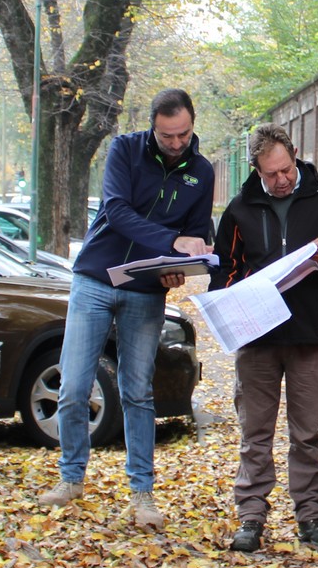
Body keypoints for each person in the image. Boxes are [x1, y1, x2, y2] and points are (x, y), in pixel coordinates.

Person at [40, 89, 215, 529]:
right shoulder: (124, 149)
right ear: (153, 126)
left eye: (184, 134)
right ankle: (71, 477)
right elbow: (116, 211)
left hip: (145, 290)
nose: (176, 143)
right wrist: (170, 241)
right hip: (96, 279)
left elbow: (195, 231)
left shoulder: (202, 171)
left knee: (138, 391)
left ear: (193, 125)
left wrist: (178, 267)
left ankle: (142, 493)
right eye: (166, 135)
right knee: (74, 385)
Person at [211, 124, 318, 553]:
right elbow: (222, 268)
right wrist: (230, 296)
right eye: (270, 174)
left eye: (285, 169)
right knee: (255, 431)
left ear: (294, 155)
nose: (280, 180)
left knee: (308, 431)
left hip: (309, 335)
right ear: (256, 170)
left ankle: (311, 517)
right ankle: (251, 517)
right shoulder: (240, 208)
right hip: (256, 338)